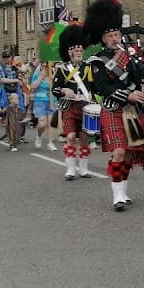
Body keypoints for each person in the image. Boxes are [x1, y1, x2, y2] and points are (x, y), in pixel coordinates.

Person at [84, 0, 144, 211]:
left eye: (117, 34)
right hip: (113, 109)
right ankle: (116, 194)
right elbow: (101, 87)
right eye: (110, 36)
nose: (115, 38)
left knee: (127, 152)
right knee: (118, 151)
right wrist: (127, 94)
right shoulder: (98, 61)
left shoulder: (132, 56)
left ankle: (123, 189)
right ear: (103, 38)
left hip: (132, 110)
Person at [52, 23, 94, 181]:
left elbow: (94, 87)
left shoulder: (88, 68)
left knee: (84, 137)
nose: (79, 53)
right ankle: (70, 168)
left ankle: (83, 168)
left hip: (85, 106)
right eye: (76, 50)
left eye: (80, 50)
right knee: (70, 136)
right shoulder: (62, 69)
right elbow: (54, 90)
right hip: (69, 107)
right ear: (70, 52)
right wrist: (63, 90)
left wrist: (94, 97)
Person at [30, 62, 57, 151]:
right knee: (42, 124)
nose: (45, 67)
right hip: (40, 102)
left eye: (46, 65)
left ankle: (50, 143)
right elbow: (33, 87)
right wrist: (41, 77)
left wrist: (53, 79)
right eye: (43, 65)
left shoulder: (53, 74)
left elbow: (56, 87)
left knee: (50, 123)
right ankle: (39, 136)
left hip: (51, 101)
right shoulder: (37, 74)